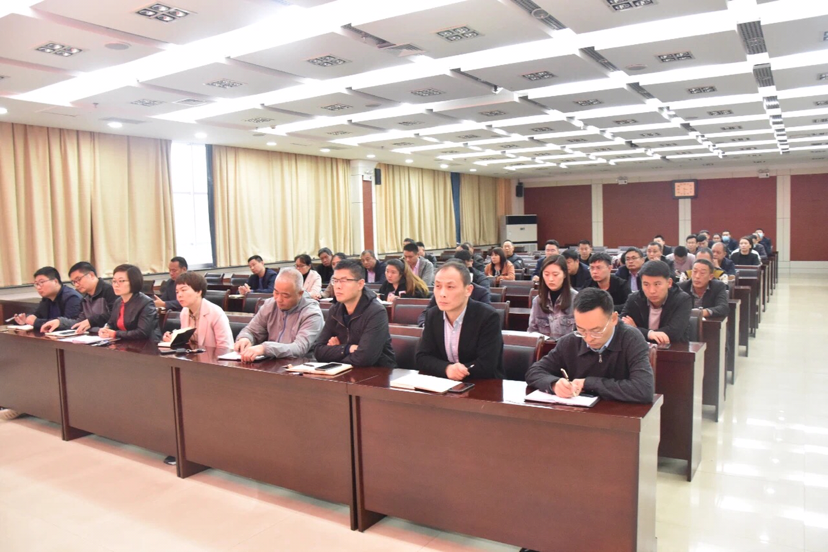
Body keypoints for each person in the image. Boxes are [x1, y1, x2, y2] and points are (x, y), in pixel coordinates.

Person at [525, 288, 654, 403]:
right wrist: (554, 384)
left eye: (596, 331)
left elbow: (643, 389)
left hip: (620, 416)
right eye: (581, 330)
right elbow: (534, 372)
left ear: (613, 319)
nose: (588, 338)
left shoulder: (631, 339)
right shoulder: (571, 341)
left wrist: (588, 383)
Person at [416, 262, 504, 380]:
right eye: (438, 286)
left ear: (468, 290)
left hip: (481, 383)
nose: (442, 294)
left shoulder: (487, 317)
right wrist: (446, 368)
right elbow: (422, 357)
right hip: (444, 383)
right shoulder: (432, 315)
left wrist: (457, 371)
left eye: (450, 287)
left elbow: (487, 364)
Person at [313, 259, 396, 367]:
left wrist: (335, 350)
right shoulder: (335, 309)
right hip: (343, 371)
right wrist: (347, 349)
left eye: (343, 280)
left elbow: (364, 358)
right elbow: (318, 351)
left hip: (377, 372)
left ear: (360, 284)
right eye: (335, 281)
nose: (338, 286)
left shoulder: (376, 312)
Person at [235, 268, 324, 360]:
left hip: (300, 364)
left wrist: (265, 348)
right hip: (270, 363)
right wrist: (245, 338)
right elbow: (251, 330)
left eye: (285, 296)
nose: (278, 299)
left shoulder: (312, 314)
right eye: (276, 292)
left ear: (300, 294)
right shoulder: (270, 304)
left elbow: (299, 348)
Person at [621, 260, 691, 345]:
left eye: (657, 284)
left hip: (673, 349)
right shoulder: (634, 299)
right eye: (646, 284)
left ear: (669, 283)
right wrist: (650, 334)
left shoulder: (682, 299)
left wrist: (639, 330)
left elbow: (674, 333)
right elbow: (621, 326)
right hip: (640, 349)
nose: (652, 291)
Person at [40, 262, 117, 334]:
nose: (76, 285)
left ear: (91, 275)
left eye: (78, 279)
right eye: (74, 282)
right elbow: (80, 322)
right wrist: (59, 322)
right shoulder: (85, 297)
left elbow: (116, 316)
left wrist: (91, 321)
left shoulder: (111, 291)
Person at [162, 272, 233, 350]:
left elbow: (225, 348)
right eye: (177, 292)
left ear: (199, 292)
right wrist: (174, 339)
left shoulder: (216, 313)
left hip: (213, 357)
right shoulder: (184, 312)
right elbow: (187, 342)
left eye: (183, 290)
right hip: (193, 356)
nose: (179, 295)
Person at [99, 264, 161, 342]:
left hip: (146, 345)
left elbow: (142, 332)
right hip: (124, 342)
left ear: (133, 282)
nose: (116, 285)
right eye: (114, 281)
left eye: (121, 281)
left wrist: (115, 333)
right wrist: (105, 329)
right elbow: (111, 323)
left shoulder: (146, 303)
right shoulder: (118, 302)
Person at [12, 267, 82, 332]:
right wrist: (24, 320)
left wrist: (36, 322)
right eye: (36, 284)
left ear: (55, 281)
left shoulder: (72, 297)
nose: (38, 287)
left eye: (41, 282)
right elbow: (36, 315)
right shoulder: (46, 298)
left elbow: (69, 324)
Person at [528, 255, 577, 340]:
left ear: (564, 274)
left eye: (555, 275)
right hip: (544, 347)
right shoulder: (538, 301)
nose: (550, 279)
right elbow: (532, 331)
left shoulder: (577, 299)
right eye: (546, 274)